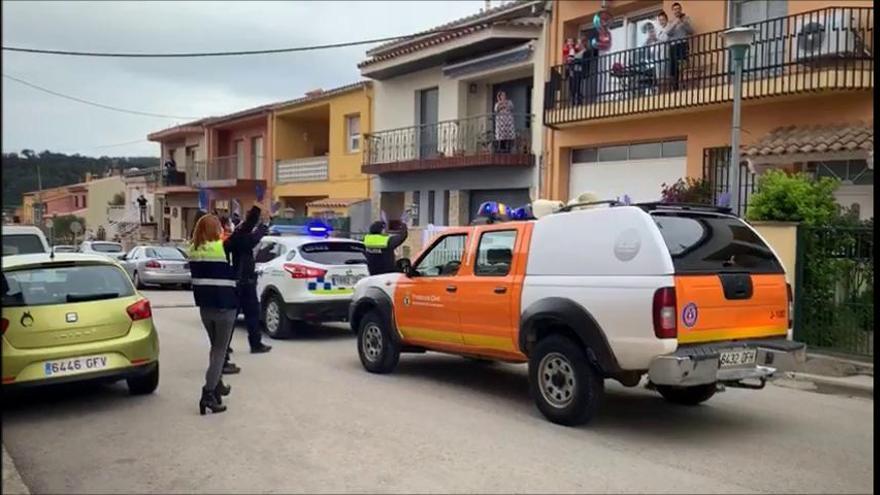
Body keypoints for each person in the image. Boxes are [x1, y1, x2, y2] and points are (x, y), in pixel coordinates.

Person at [188, 214, 236, 415]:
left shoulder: (193, 249)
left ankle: (217, 386)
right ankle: (208, 393)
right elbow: (242, 237)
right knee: (220, 351)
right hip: (225, 307)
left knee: (215, 347)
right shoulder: (221, 247)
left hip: (205, 308)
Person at [225, 205, 273, 354]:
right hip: (242, 282)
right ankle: (227, 346)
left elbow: (250, 231)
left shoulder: (237, 235)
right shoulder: (241, 238)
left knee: (248, 315)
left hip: (242, 281)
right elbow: (253, 239)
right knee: (238, 316)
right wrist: (264, 225)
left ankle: (253, 343)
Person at [667, 2, 695, 90]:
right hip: (673, 46)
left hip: (683, 44)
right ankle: (675, 86)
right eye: (675, 9)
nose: (677, 11)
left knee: (683, 64)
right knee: (674, 66)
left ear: (681, 9)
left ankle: (684, 84)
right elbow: (668, 33)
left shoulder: (686, 19)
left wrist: (684, 23)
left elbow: (691, 31)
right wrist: (675, 23)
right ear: (673, 11)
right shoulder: (671, 21)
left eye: (678, 9)